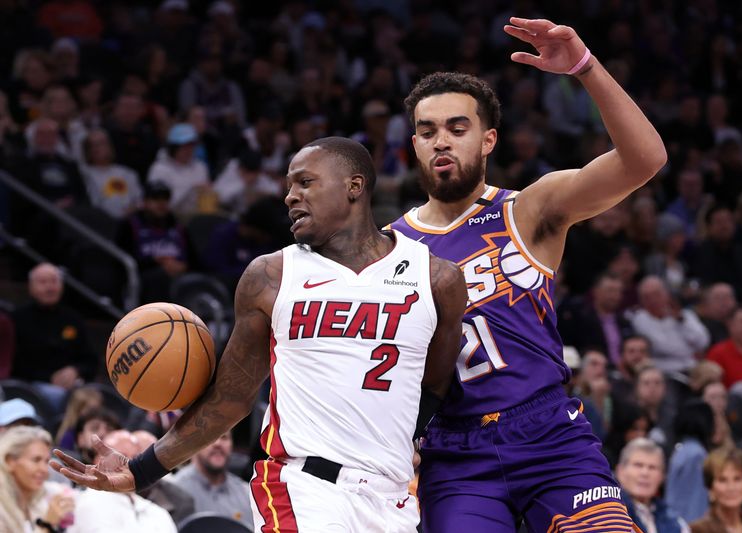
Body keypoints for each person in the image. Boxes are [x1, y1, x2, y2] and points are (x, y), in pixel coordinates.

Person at [51, 136, 467, 533]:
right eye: (288, 186)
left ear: (354, 186)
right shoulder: (271, 275)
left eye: (305, 182)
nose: (290, 196)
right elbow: (231, 397)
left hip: (391, 496)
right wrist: (142, 470)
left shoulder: (436, 278)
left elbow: (432, 386)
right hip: (302, 486)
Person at [388, 16, 667, 531]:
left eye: (457, 127)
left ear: (489, 139)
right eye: (427, 131)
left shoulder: (527, 211)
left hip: (548, 433)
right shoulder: (386, 249)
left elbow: (645, 159)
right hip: (454, 451)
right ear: (415, 144)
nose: (441, 141)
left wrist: (586, 68)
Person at [11, 263, 97, 412]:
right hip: (31, 386)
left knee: (96, 396)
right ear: (31, 287)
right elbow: (13, 363)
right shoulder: (17, 319)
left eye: (54, 281)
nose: (50, 288)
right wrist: (50, 378)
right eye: (43, 282)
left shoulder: (73, 319)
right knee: (58, 396)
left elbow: (91, 359)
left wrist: (76, 370)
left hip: (73, 385)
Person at [68, 430, 177, 533]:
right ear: (99, 462)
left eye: (134, 458)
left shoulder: (158, 512)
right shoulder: (89, 501)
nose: (128, 465)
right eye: (121, 457)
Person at [0, 426, 75, 533]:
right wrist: (47, 525)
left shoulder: (38, 502)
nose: (44, 470)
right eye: (36, 460)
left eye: (46, 461)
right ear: (10, 461)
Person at [171, 431, 252, 528]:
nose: (218, 443)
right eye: (210, 437)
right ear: (193, 444)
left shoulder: (247, 494)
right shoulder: (173, 491)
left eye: (224, 437)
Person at [616, 437, 690, 533]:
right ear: (620, 471)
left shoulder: (675, 522)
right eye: (638, 465)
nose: (645, 473)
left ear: (662, 476)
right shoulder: (606, 514)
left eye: (652, 467)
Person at [689, 446, 742, 533]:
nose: (731, 488)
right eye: (722, 480)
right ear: (710, 489)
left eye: (737, 479)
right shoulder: (697, 530)